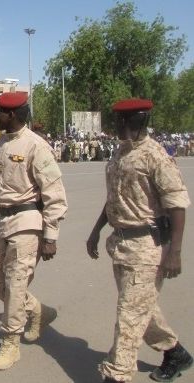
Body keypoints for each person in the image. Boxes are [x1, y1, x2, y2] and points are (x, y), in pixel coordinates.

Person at [86, 98, 192, 383]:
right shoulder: (120, 152)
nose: (119, 126)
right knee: (142, 307)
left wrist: (175, 253)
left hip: (147, 247)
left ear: (140, 122)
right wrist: (96, 230)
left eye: (126, 122)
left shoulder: (155, 156)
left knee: (129, 316)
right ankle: (175, 352)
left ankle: (118, 375)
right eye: (117, 121)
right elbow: (115, 199)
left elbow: (177, 205)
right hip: (121, 245)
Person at [0, 92, 68, 371]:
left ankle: (10, 343)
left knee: (15, 282)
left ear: (11, 114)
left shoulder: (36, 146)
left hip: (27, 221)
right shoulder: (0, 144)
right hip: (2, 220)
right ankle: (37, 310)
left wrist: (51, 236)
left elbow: (54, 194)